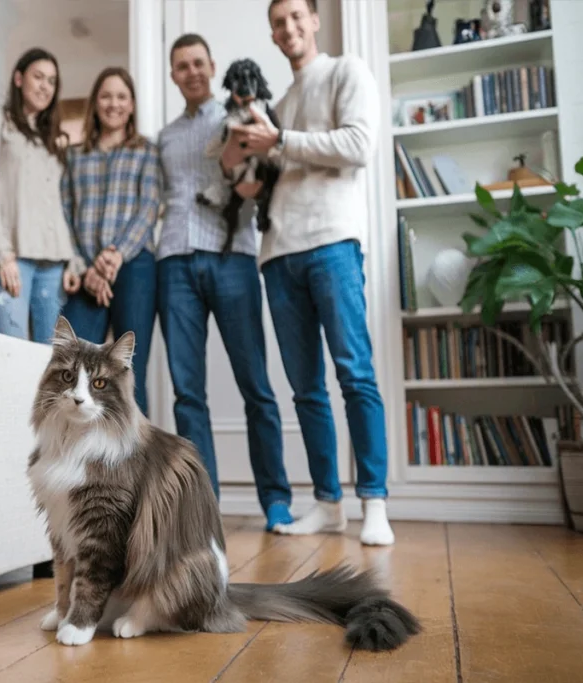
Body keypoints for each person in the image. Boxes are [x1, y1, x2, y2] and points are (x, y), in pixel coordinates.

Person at [220, 0, 393, 545]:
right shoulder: (278, 102)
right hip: (277, 255)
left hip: (333, 243)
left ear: (314, 20)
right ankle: (328, 503)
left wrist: (282, 141)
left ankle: (375, 503)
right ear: (272, 35)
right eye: (278, 22)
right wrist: (240, 165)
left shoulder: (347, 71)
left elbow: (358, 146)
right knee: (306, 390)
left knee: (355, 374)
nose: (288, 27)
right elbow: (260, 185)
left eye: (297, 16)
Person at [156, 33, 293, 531]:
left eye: (198, 62)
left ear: (212, 66)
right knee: (188, 394)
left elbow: (267, 173)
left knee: (256, 384)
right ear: (173, 75)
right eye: (181, 66)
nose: (191, 72)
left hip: (232, 257)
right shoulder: (165, 137)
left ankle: (277, 501)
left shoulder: (241, 113)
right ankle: (203, 508)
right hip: (174, 262)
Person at [60, 66, 162, 416]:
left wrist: (115, 257)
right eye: (106, 96)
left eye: (121, 96)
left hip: (135, 267)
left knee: (128, 371)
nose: (113, 104)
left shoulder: (146, 151)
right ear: (94, 103)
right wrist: (86, 268)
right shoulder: (73, 156)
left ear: (131, 105)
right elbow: (66, 214)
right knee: (72, 365)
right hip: (87, 272)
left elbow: (148, 208)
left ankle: (135, 466)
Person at [0, 47, 80, 343]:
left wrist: (71, 260)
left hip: (54, 262)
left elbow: (59, 205)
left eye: (52, 81)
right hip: (12, 257)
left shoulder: (53, 140)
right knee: (11, 357)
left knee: (51, 368)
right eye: (38, 77)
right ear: (19, 78)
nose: (45, 86)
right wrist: (2, 254)